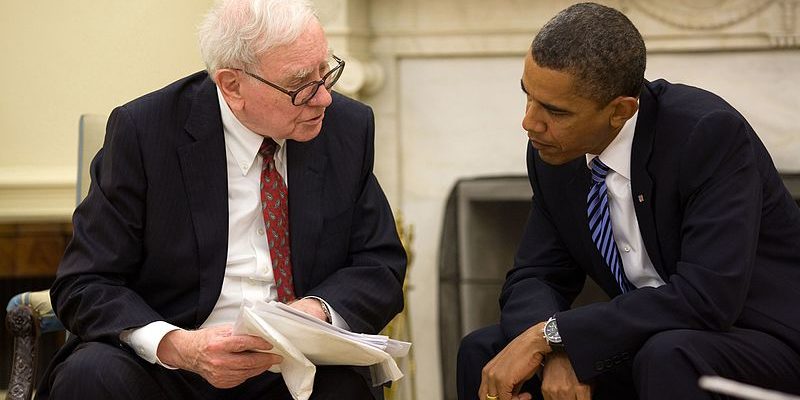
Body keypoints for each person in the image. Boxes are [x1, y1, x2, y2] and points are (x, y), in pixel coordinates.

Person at [37, 0, 406, 399]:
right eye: (301, 84)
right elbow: (85, 282)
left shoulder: (346, 128)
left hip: (290, 366)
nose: (323, 99)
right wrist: (177, 346)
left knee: (345, 389)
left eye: (325, 70)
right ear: (232, 85)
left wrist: (314, 313)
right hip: (169, 365)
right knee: (90, 376)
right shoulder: (145, 133)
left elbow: (379, 265)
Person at [457, 3, 800, 400]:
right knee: (484, 351)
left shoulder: (706, 135)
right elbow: (535, 275)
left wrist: (556, 335)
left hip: (762, 338)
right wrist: (553, 350)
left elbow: (707, 298)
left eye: (554, 110)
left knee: (668, 354)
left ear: (620, 110)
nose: (529, 122)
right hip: (652, 336)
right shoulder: (555, 151)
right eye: (528, 96)